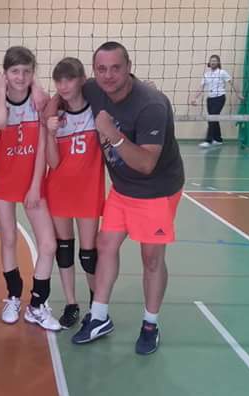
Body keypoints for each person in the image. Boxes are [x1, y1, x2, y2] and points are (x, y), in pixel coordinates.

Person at [72, 42, 185, 356]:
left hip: (156, 191)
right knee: (105, 245)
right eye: (101, 69)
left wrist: (112, 133)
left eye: (116, 68)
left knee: (152, 259)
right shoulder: (95, 89)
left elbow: (146, 164)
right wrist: (49, 105)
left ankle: (150, 324)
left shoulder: (151, 105)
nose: (108, 76)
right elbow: (68, 89)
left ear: (129, 67)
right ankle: (99, 317)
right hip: (122, 190)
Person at [0, 46, 60, 331]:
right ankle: (13, 296)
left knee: (49, 244)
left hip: (32, 182)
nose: (20, 77)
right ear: (5, 73)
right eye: (15, 71)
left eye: (27, 72)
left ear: (33, 73)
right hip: (2, 180)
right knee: (8, 239)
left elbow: (42, 146)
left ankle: (37, 305)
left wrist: (34, 186)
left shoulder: (40, 101)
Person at [44, 57, 105, 329]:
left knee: (89, 254)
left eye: (69, 79)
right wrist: (49, 133)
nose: (64, 85)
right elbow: (53, 163)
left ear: (81, 80)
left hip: (88, 191)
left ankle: (96, 305)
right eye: (59, 81)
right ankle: (71, 304)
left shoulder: (97, 111)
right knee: (65, 249)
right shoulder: (56, 117)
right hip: (59, 189)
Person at [191, 54, 244, 147]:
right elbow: (201, 87)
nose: (213, 62)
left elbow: (232, 83)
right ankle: (218, 139)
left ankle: (208, 140)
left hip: (219, 98)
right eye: (211, 61)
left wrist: (238, 94)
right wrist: (194, 98)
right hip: (210, 99)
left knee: (211, 118)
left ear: (218, 62)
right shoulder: (206, 74)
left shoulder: (222, 72)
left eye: (215, 61)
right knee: (214, 118)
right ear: (209, 62)